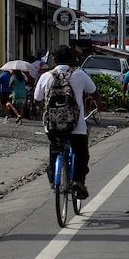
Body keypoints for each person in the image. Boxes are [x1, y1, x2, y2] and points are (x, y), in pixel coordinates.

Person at [34, 45, 106, 199]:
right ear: (73, 60)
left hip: (52, 126)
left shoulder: (45, 77)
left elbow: (37, 100)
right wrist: (99, 104)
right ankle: (78, 181)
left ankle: (54, 177)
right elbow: (94, 92)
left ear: (54, 61)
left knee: (55, 149)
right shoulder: (79, 74)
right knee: (81, 154)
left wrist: (44, 108)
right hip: (76, 127)